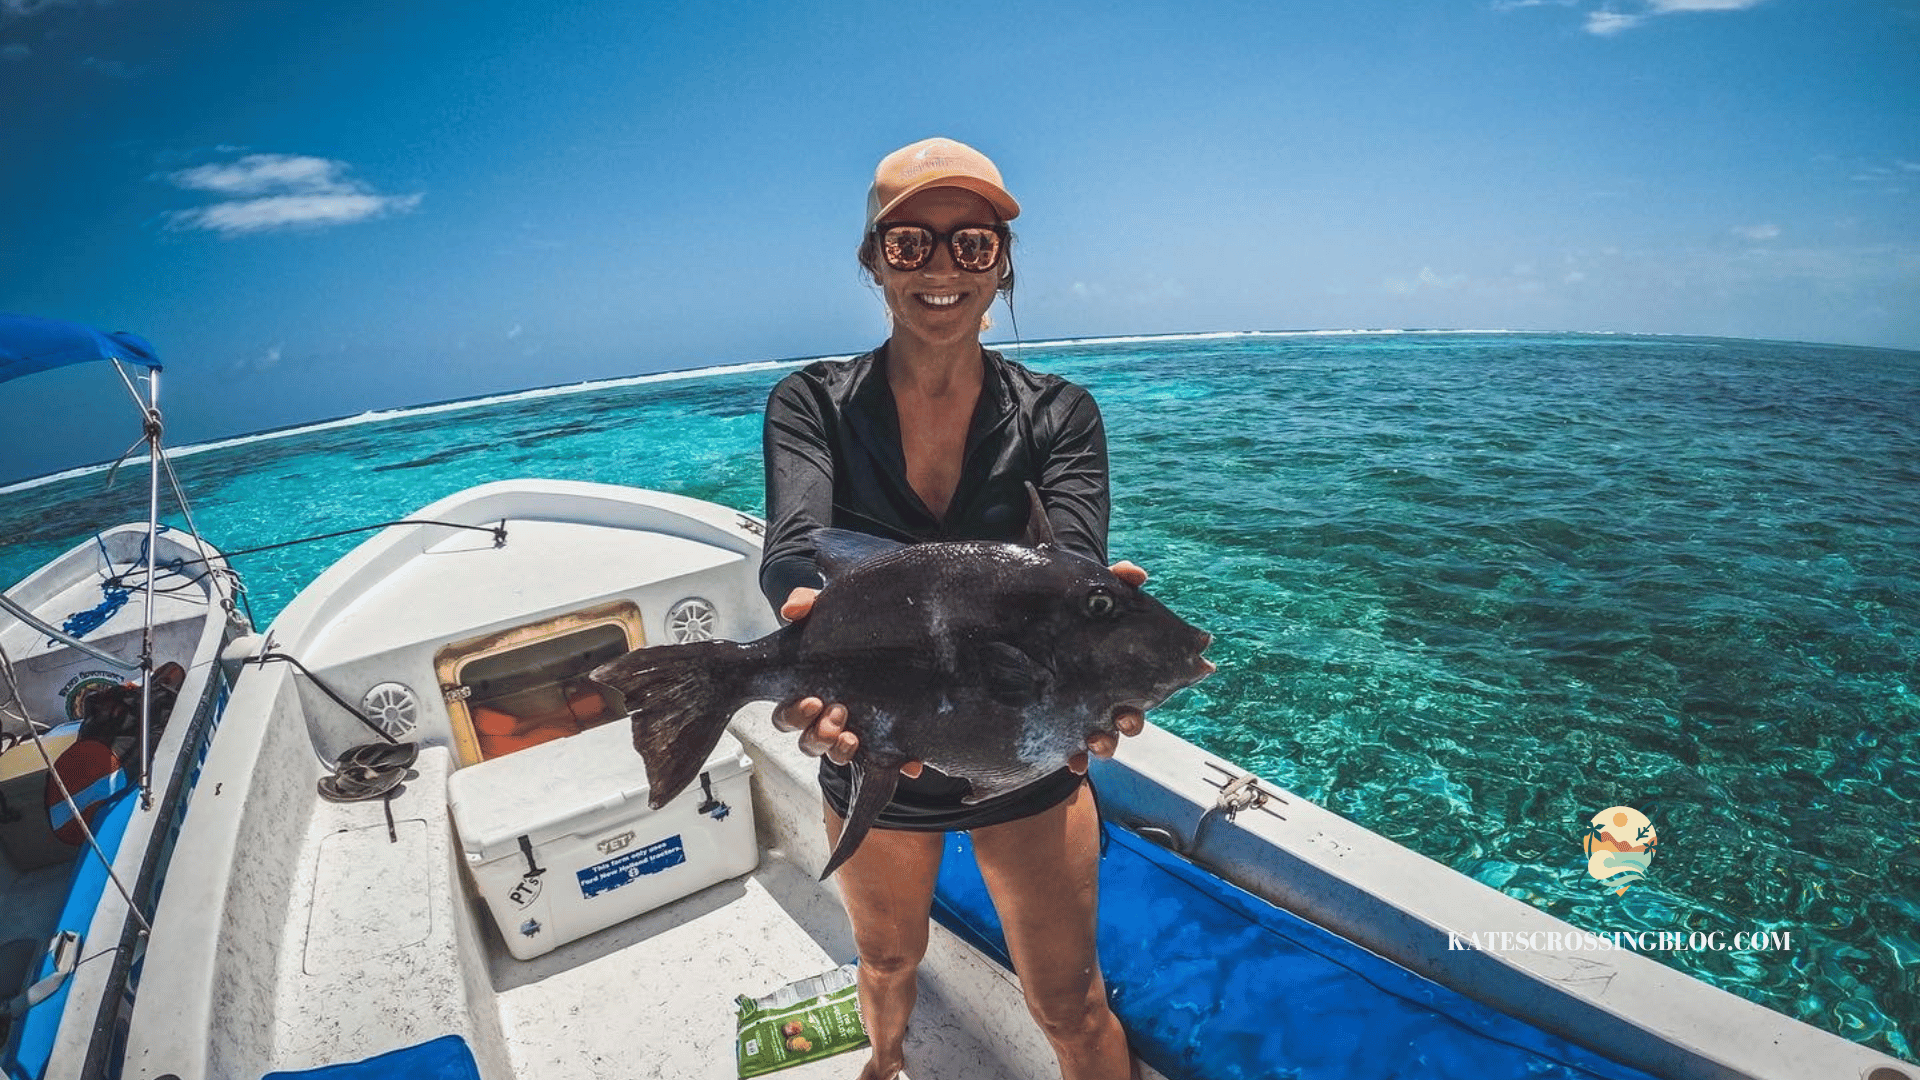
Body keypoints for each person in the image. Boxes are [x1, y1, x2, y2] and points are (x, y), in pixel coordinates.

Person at [759, 137, 1146, 1080]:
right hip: (876, 745)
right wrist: (806, 622)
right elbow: (791, 556)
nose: (941, 268)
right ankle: (885, 1066)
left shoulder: (1061, 413)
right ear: (873, 260)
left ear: (1002, 262)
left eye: (971, 244)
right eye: (910, 244)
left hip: (1024, 753)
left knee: (1070, 1005)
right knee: (888, 958)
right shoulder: (809, 403)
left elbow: (1075, 570)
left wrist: (1102, 645)